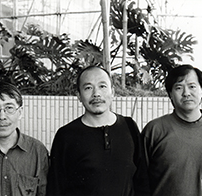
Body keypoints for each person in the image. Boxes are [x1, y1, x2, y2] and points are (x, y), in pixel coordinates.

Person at [47, 66, 149, 196]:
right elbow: (56, 187)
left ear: (113, 92)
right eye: (88, 88)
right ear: (78, 95)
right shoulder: (66, 135)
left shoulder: (129, 126)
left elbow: (142, 180)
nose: (96, 93)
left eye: (102, 86)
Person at [142, 64, 202, 196]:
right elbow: (140, 182)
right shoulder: (154, 130)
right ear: (170, 94)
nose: (186, 93)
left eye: (192, 86)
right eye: (178, 87)